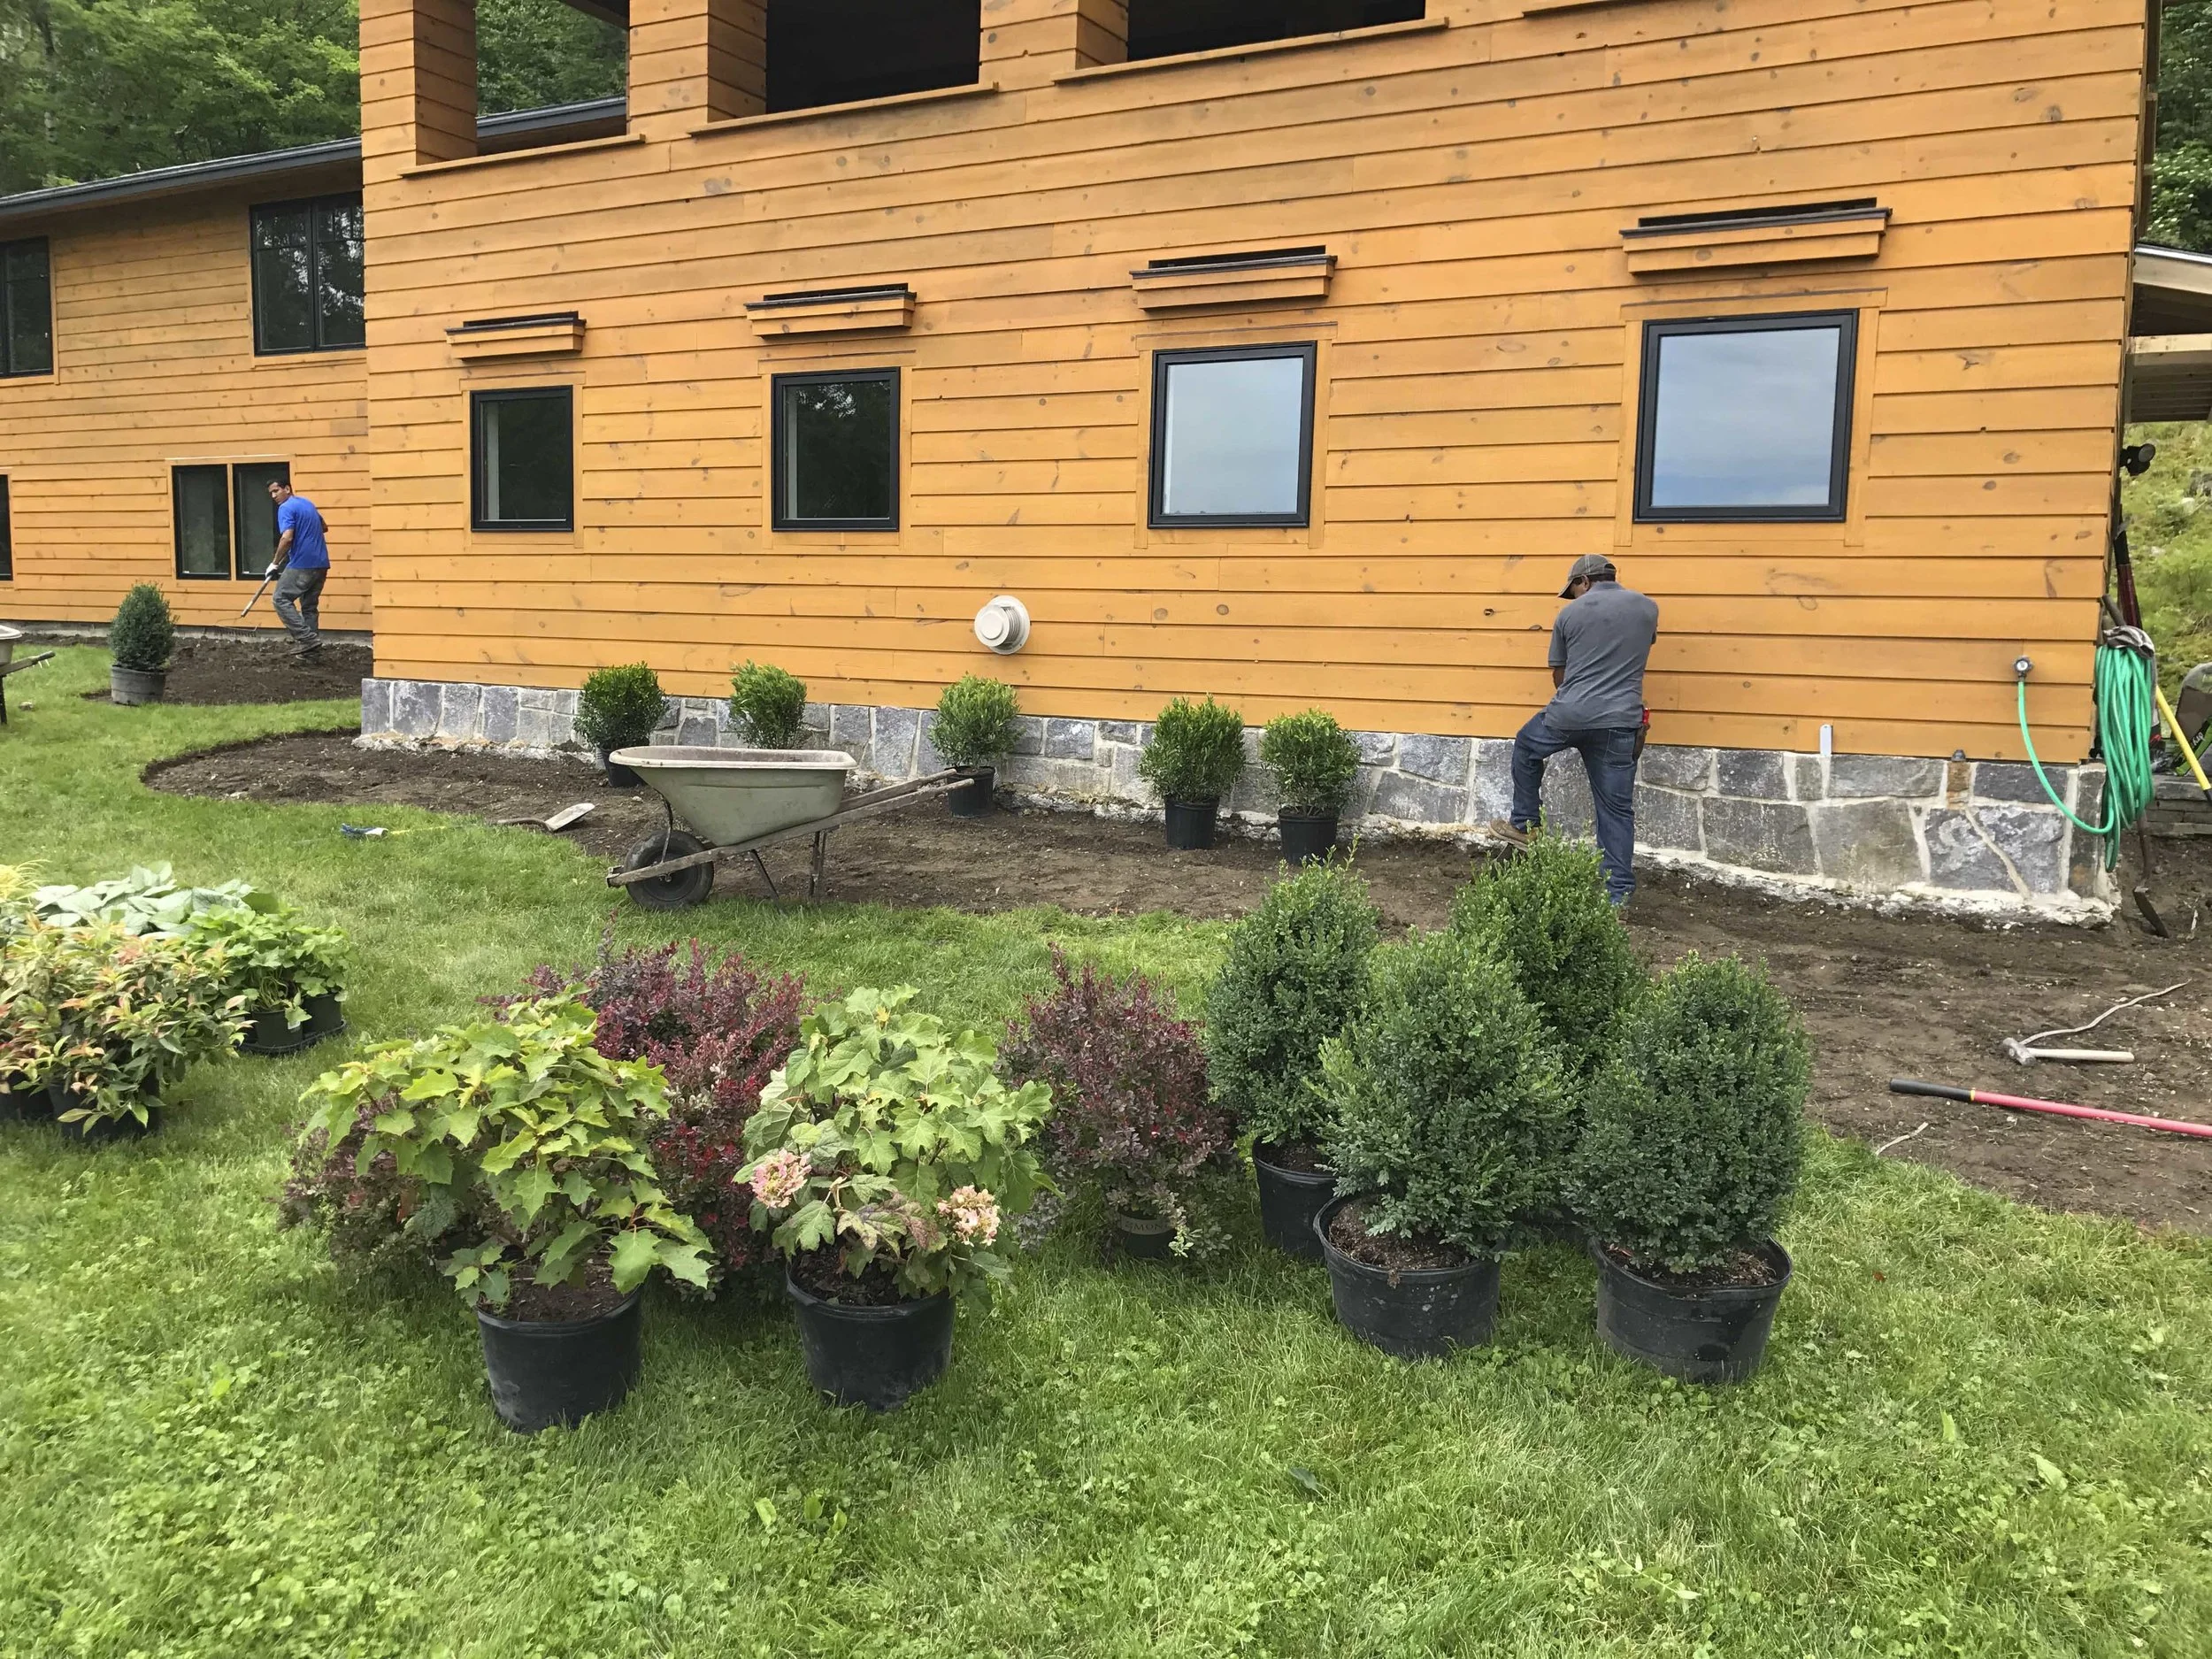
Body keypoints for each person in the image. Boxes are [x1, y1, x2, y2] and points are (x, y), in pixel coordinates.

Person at [1490, 555, 1659, 906]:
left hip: (1570, 716)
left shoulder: (1569, 614)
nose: (1574, 597)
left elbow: (1559, 675)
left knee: (1526, 744)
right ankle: (1617, 899)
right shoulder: (1647, 608)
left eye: (1574, 590)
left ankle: (1525, 824)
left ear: (1584, 581)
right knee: (1616, 811)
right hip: (1621, 721)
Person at [265, 479, 330, 661]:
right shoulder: (307, 503)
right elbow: (324, 527)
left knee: (280, 598)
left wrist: (275, 563)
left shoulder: (285, 508)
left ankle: (307, 639)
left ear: (287, 489)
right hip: (321, 563)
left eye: (276, 490)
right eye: (271, 493)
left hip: (303, 564)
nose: (274, 496)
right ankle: (312, 653)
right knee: (309, 607)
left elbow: (287, 538)